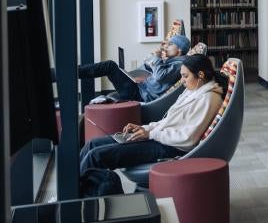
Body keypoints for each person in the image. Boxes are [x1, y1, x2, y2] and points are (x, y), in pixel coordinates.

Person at [79, 55, 226, 178]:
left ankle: (77, 201)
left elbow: (188, 139)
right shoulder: (193, 90)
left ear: (200, 75)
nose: (182, 81)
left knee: (96, 156)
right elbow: (168, 121)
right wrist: (145, 128)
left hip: (171, 147)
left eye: (185, 76)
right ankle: (71, 189)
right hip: (160, 137)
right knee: (93, 144)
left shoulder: (208, 99)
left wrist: (150, 133)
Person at [80, 34, 190, 103]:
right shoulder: (172, 61)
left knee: (110, 66)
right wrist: (147, 65)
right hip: (140, 88)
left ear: (179, 50)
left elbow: (160, 77)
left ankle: (75, 72)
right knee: (114, 69)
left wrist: (156, 58)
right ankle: (77, 72)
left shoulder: (180, 64)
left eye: (170, 45)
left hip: (140, 96)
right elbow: (155, 71)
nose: (166, 46)